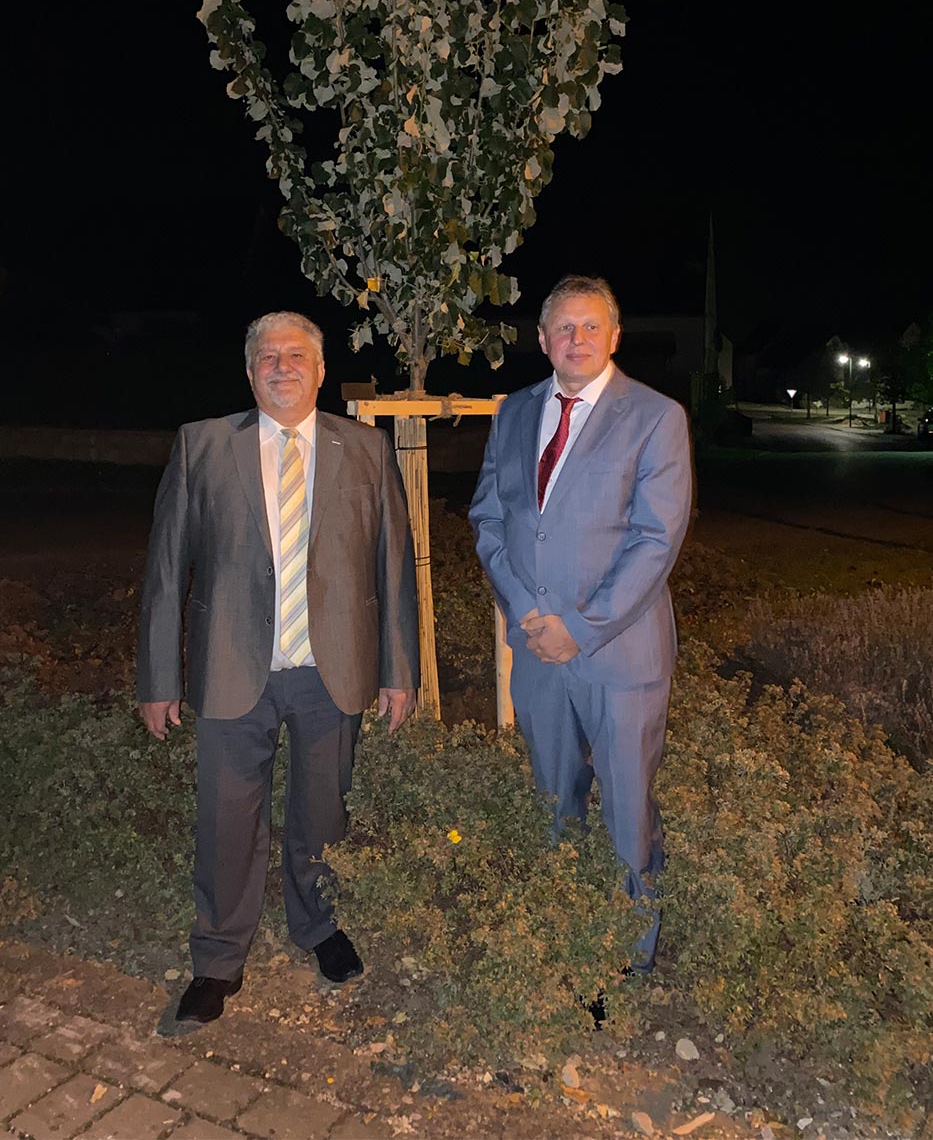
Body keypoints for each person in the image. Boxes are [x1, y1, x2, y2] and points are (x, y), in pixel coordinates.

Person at [137, 311, 419, 1032]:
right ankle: (217, 958)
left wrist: (398, 668)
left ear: (321, 370)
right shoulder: (202, 446)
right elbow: (166, 573)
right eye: (268, 356)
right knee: (227, 823)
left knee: (321, 814)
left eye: (297, 355)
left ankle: (318, 928)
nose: (282, 366)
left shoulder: (363, 448)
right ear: (249, 370)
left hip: (334, 669)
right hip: (234, 668)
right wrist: (159, 680)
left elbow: (393, 567)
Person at [469, 275, 692, 972]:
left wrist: (580, 626)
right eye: (562, 328)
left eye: (590, 327)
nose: (576, 339)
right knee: (551, 797)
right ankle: (567, 932)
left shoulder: (656, 416)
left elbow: (655, 541)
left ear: (614, 337)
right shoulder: (512, 412)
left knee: (627, 805)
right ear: (541, 340)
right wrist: (529, 614)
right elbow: (488, 519)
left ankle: (630, 953)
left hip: (619, 653)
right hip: (536, 649)